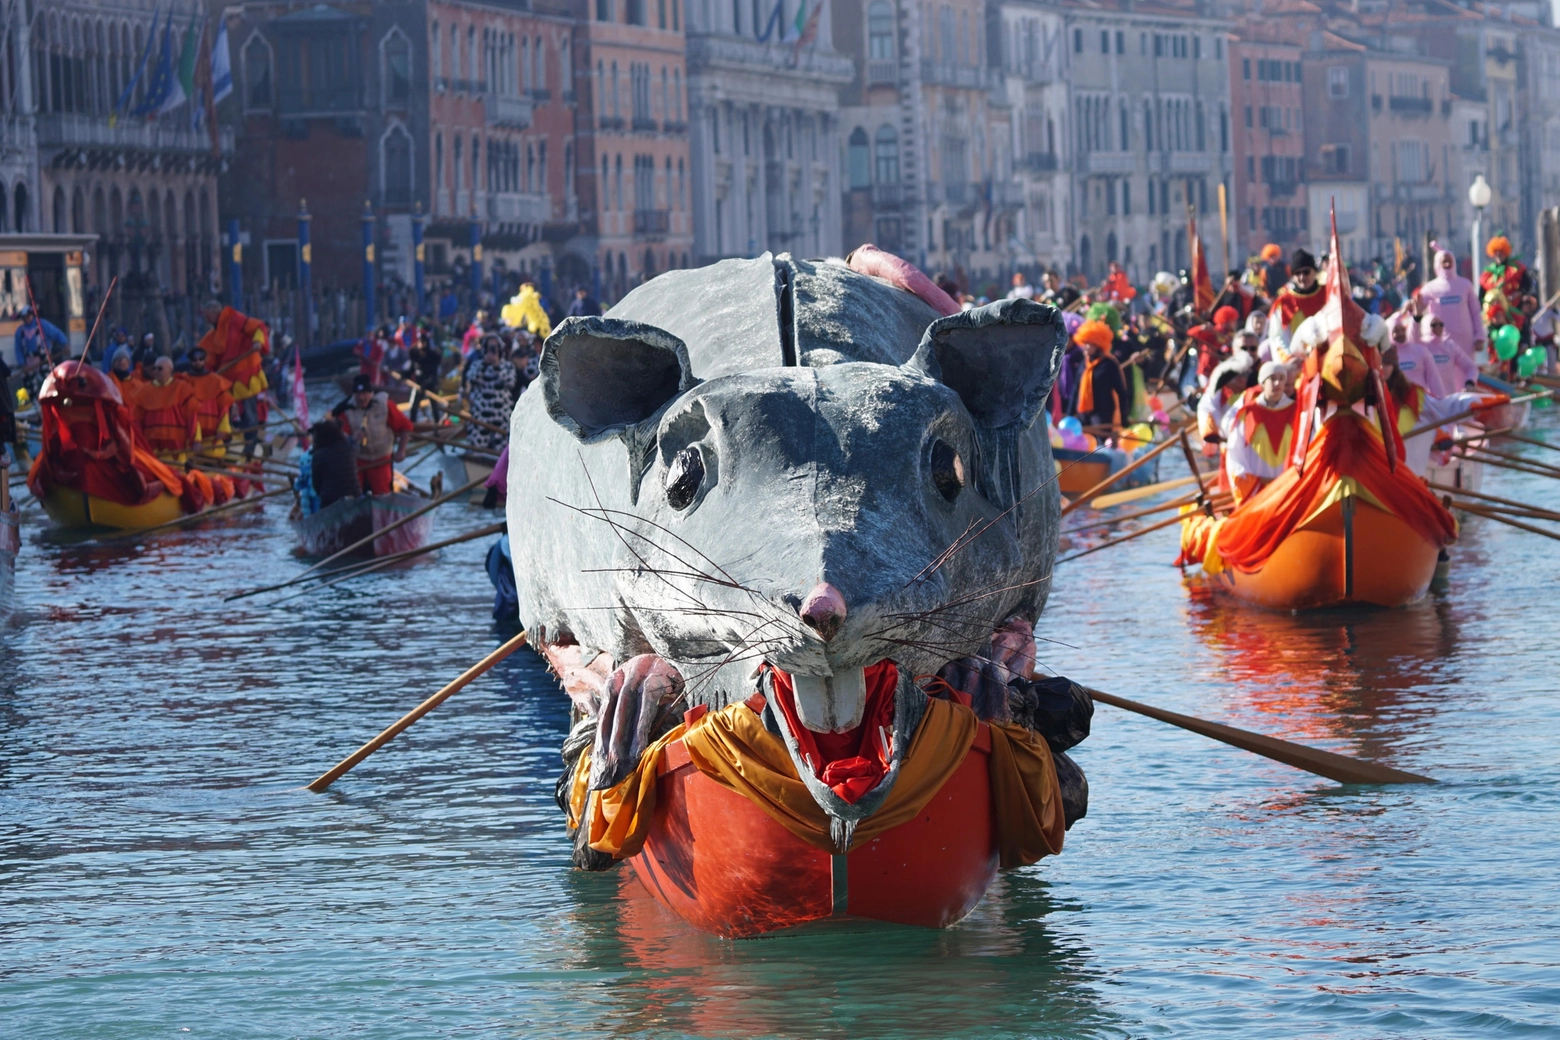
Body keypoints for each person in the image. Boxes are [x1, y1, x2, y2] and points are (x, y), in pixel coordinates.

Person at [197, 299, 270, 456]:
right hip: (226, 379)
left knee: (248, 412)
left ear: (215, 312)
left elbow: (258, 326)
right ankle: (226, 446)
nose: (205, 319)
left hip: (245, 374)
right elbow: (209, 359)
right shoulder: (212, 335)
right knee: (225, 414)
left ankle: (250, 447)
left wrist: (258, 342)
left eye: (207, 315)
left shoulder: (235, 319)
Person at [1221, 360, 1295, 504]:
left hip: (1289, 492)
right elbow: (1235, 456)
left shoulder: (1298, 412)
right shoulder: (1247, 414)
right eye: (1272, 379)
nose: (1277, 384)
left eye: (1281, 379)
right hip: (1259, 495)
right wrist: (1255, 486)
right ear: (1262, 382)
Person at [331, 373, 412, 495]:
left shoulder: (385, 405)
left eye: (365, 393)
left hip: (382, 459)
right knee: (355, 495)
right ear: (353, 394)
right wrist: (352, 439)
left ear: (371, 393)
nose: (361, 398)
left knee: (383, 494)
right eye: (358, 394)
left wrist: (401, 451)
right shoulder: (344, 411)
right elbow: (339, 441)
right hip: (358, 461)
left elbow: (406, 427)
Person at [1417, 247, 1486, 360]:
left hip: (1465, 342)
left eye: (1450, 260)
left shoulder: (1466, 285)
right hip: (1441, 340)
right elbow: (1417, 309)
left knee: (1466, 373)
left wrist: (1480, 337)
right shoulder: (1429, 288)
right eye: (1444, 261)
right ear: (1437, 263)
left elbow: (1475, 312)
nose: (1448, 263)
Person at [131, 356, 198, 458]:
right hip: (152, 446)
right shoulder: (144, 390)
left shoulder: (182, 388)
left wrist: (196, 440)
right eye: (155, 368)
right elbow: (137, 420)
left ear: (170, 370)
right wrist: (138, 442)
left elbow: (192, 417)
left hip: (176, 446)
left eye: (160, 368)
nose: (156, 371)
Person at [1069, 320, 1129, 428]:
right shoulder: (1084, 363)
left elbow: (1121, 392)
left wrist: (1124, 417)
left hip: (1103, 413)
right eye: (1084, 343)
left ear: (1098, 345)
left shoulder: (1109, 364)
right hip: (1083, 413)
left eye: (1090, 344)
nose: (1085, 347)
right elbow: (1075, 389)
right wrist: (1069, 413)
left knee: (1102, 443)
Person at [296, 418, 362, 514]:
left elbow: (317, 485)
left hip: (330, 500)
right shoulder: (349, 449)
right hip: (354, 495)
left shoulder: (318, 455)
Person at [1267, 249, 1326, 346]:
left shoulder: (1328, 293)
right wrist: (1289, 359)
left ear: (1315, 272)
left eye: (1306, 272)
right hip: (1298, 358)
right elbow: (1276, 336)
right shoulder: (1284, 301)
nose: (1302, 277)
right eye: (1297, 273)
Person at [185, 348, 235, 458]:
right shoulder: (183, 380)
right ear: (190, 361)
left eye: (200, 359)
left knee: (214, 453)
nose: (197, 362)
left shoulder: (216, 381)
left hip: (212, 438)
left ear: (205, 360)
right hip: (188, 440)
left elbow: (224, 407)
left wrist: (223, 429)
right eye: (194, 359)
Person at [1480, 235, 1531, 334]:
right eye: (1496, 251)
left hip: (1514, 312)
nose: (1499, 254)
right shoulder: (1487, 274)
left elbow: (1527, 285)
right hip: (1494, 317)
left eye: (1501, 251)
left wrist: (1518, 293)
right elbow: (1481, 296)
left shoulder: (1517, 268)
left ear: (1506, 252)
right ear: (1492, 253)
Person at [1386, 314, 1445, 398]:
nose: (1400, 333)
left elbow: (1434, 379)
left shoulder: (1420, 351)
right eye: (1396, 331)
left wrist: (1442, 402)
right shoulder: (1386, 356)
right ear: (1390, 333)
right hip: (1398, 404)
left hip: (1421, 403)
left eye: (1403, 330)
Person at [1421, 313, 1479, 392]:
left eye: (1440, 324)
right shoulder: (1422, 347)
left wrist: (1469, 383)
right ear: (1426, 326)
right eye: (1434, 324)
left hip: (1449, 398)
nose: (1438, 327)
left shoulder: (1451, 346)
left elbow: (1471, 367)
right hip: (1428, 399)